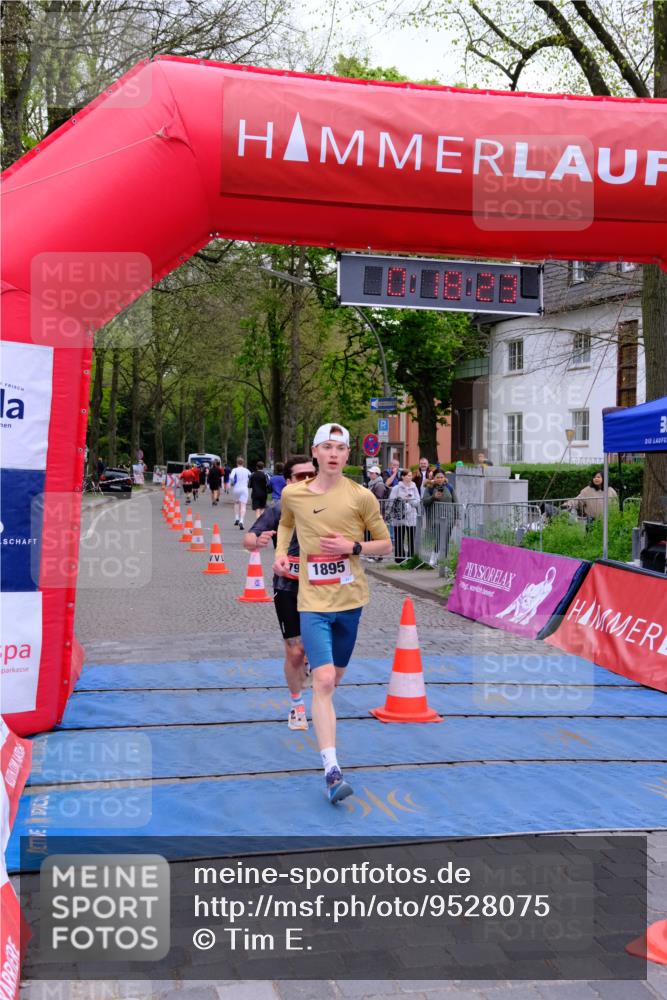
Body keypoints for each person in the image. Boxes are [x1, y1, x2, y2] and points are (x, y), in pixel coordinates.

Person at [273, 423, 392, 804]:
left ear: (347, 454)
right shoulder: (294, 493)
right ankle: (332, 771)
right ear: (315, 452)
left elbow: (387, 545)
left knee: (333, 680)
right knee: (322, 680)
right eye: (327, 447)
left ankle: (316, 701)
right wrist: (279, 554)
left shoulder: (361, 497)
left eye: (340, 448)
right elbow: (286, 521)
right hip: (312, 604)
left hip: (350, 603)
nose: (334, 454)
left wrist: (352, 546)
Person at [244, 455, 316, 731]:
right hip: (287, 586)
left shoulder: (329, 507)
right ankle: (296, 705)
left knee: (317, 647)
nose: (307, 480)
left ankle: (311, 661)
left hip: (323, 589)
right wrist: (256, 541)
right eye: (300, 476)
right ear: (288, 481)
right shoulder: (278, 509)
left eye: (312, 474)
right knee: (294, 651)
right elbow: (249, 537)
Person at [387, 468, 421, 563]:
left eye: (411, 475)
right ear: (403, 477)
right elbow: (391, 500)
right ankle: (399, 559)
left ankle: (411, 558)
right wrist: (401, 500)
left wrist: (411, 501)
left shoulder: (414, 487)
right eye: (408, 475)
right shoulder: (396, 488)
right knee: (399, 537)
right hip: (399, 517)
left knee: (411, 537)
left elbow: (418, 500)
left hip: (411, 516)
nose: (410, 477)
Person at [422, 470, 457, 562]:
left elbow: (455, 502)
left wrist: (457, 517)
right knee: (440, 538)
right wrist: (433, 497)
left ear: (444, 478)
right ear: (434, 478)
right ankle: (434, 558)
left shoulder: (449, 487)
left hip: (449, 518)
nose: (440, 479)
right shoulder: (429, 487)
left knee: (446, 539)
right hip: (436, 518)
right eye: (437, 477)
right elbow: (425, 501)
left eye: (442, 477)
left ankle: (442, 561)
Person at [230, 456, 251, 529]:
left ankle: (236, 518)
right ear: (243, 463)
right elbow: (250, 477)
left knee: (236, 503)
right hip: (244, 489)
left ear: (237, 463)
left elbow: (232, 477)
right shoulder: (247, 470)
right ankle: (241, 521)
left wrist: (233, 483)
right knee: (243, 505)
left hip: (236, 488)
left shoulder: (234, 470)